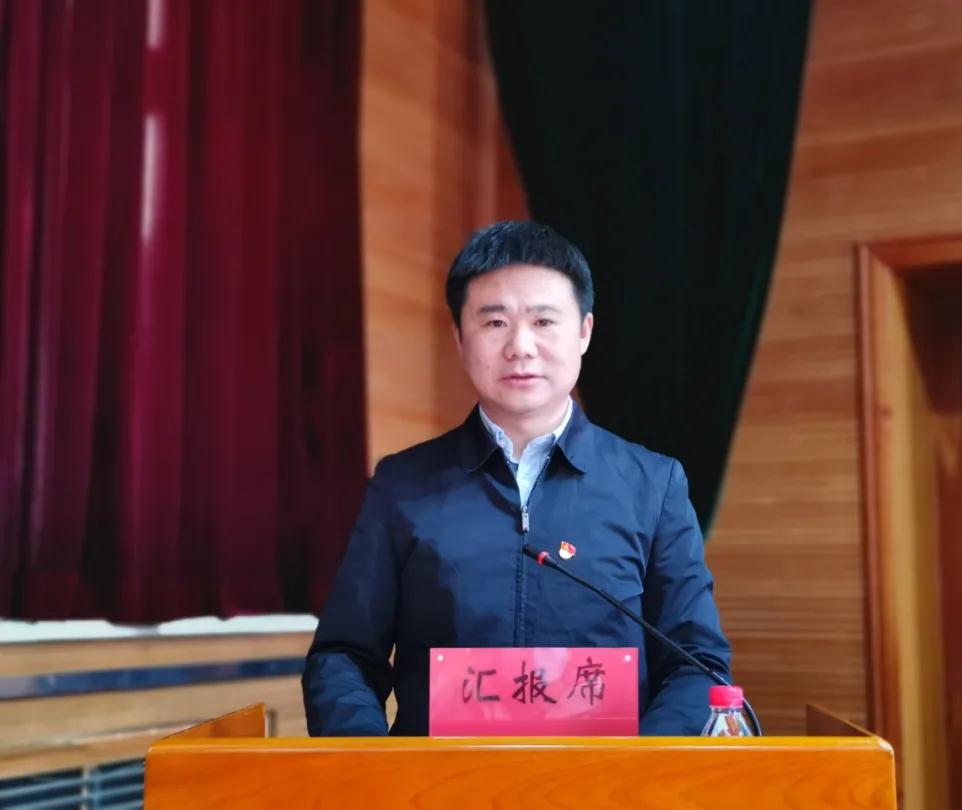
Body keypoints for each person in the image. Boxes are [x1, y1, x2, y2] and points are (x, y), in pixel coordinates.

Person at [302, 221, 731, 736]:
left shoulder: (653, 485)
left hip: (605, 779)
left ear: (584, 332)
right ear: (460, 338)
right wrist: (376, 770)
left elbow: (696, 664)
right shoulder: (402, 486)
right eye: (495, 322)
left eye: (544, 321)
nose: (520, 346)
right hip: (441, 780)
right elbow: (344, 657)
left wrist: (638, 771)